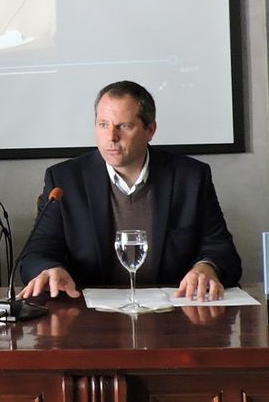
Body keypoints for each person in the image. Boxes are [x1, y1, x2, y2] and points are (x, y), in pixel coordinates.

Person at [17, 80, 241, 299]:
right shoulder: (65, 180)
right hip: (91, 316)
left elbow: (221, 249)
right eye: (103, 124)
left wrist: (207, 267)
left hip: (173, 314)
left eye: (124, 126)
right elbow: (36, 253)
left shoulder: (190, 177)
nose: (111, 137)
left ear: (150, 130)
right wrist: (50, 268)